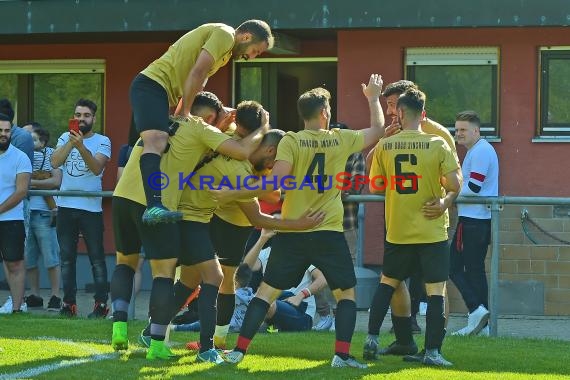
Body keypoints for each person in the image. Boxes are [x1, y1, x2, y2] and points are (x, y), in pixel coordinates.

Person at [218, 73, 385, 369]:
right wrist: (373, 98)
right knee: (346, 294)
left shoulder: (291, 140)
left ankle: (238, 352)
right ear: (324, 113)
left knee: (265, 292)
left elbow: (275, 184)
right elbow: (378, 130)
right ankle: (342, 356)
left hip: (294, 231)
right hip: (328, 231)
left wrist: (232, 191)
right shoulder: (340, 139)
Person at [148, 123, 324, 364]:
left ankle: (160, 335)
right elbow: (260, 213)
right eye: (278, 162)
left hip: (208, 219)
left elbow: (270, 193)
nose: (275, 168)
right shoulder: (238, 160)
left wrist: (237, 190)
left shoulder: (234, 149)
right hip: (198, 219)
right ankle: (198, 345)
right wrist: (300, 223)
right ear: (271, 151)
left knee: (204, 279)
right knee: (209, 278)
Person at [109, 92, 265, 360]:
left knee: (145, 268)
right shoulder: (215, 141)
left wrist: (231, 117)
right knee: (187, 275)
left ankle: (128, 326)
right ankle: (197, 347)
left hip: (129, 197)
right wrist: (262, 129)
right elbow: (257, 204)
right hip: (181, 214)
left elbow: (222, 117)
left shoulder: (167, 121)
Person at [131, 19, 273, 225]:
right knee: (157, 140)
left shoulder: (223, 57)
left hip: (159, 94)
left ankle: (140, 203)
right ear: (246, 37)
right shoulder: (225, 35)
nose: (251, 57)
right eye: (256, 51)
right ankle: (153, 207)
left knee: (156, 145)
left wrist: (190, 116)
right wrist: (186, 114)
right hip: (152, 86)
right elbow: (196, 72)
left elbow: (196, 85)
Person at [365, 88, 461, 367]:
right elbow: (455, 185)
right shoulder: (438, 143)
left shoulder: (385, 145)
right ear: (423, 114)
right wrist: (444, 202)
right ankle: (432, 352)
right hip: (431, 229)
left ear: (402, 113)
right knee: (435, 291)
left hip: (398, 228)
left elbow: (375, 186)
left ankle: (371, 338)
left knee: (387, 283)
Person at [50, 99, 111, 318]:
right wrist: (70, 142)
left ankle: (101, 304)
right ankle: (68, 304)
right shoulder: (64, 137)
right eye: (77, 115)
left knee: (97, 258)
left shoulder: (103, 141)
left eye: (86, 115)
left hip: (91, 208)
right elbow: (55, 162)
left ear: (94, 118)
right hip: (65, 206)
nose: (81, 119)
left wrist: (81, 146)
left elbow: (96, 168)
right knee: (66, 258)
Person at [313, 122, 366, 332]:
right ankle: (325, 314)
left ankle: (339, 317)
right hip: (319, 221)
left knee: (344, 272)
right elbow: (310, 183)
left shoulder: (355, 154)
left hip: (346, 223)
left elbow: (354, 185)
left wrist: (328, 190)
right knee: (316, 268)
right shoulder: (318, 154)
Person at [450, 110, 498, 336]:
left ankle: (477, 311)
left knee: (454, 268)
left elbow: (474, 188)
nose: (458, 133)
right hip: (474, 220)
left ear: (476, 131)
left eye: (463, 130)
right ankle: (481, 323)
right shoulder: (476, 150)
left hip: (474, 222)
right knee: (474, 271)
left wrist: (448, 194)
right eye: (457, 129)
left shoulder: (480, 151)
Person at [24, 123, 62, 311]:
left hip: (45, 213)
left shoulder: (51, 153)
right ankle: (35, 294)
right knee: (28, 258)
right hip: (24, 213)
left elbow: (56, 181)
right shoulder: (22, 154)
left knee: (51, 257)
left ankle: (55, 296)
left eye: (31, 137)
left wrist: (32, 183)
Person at [0, 113, 32, 314]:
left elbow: (21, 191)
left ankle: (17, 309)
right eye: (0, 130)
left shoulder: (20, 157)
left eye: (6, 130)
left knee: (14, 264)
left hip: (11, 220)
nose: (3, 134)